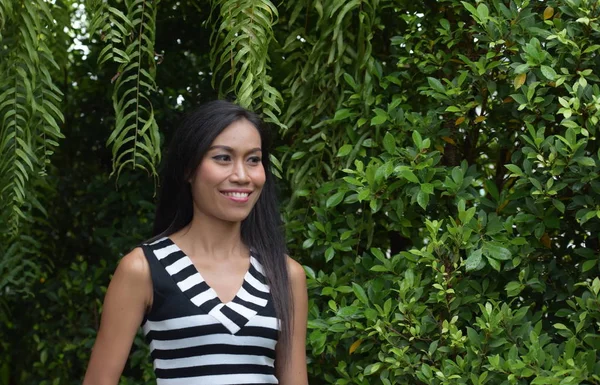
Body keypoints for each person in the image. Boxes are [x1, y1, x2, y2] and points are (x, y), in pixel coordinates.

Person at [83, 100, 309, 385]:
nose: (242, 176)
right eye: (223, 158)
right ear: (188, 169)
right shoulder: (143, 268)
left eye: (253, 160)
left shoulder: (286, 275)